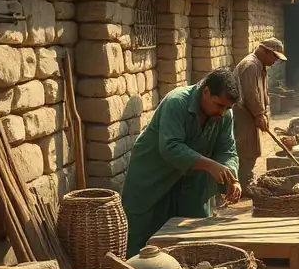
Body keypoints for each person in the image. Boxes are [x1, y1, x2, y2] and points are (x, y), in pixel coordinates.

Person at [121, 68, 243, 257]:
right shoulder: (176, 102)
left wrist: (231, 177)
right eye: (219, 105)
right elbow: (170, 147)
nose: (222, 112)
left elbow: (227, 149)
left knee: (193, 234)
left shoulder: (224, 114)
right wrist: (210, 165)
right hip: (153, 176)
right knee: (143, 236)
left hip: (191, 180)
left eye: (227, 108)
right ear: (205, 91)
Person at [233, 38, 287, 194]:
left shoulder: (259, 65)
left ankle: (246, 180)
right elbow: (251, 93)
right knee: (246, 149)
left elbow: (261, 92)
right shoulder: (250, 65)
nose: (275, 61)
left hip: (251, 113)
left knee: (252, 148)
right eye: (274, 57)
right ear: (264, 51)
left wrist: (264, 112)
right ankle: (243, 185)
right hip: (244, 113)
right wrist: (259, 114)